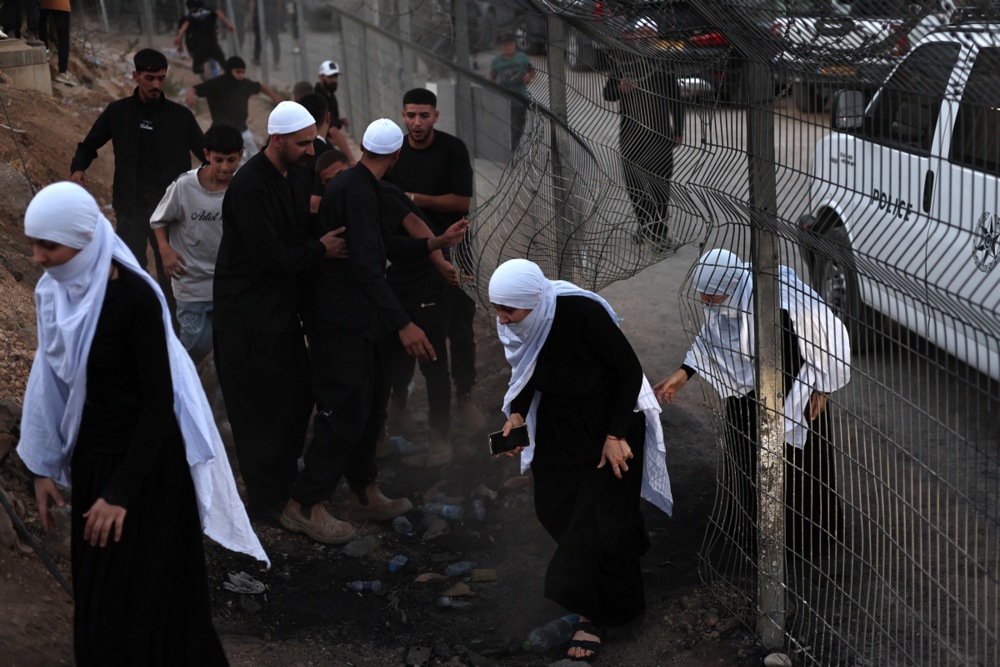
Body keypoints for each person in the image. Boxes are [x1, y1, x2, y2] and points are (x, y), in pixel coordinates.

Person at [18, 182, 268, 666]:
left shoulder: (135, 301)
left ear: (84, 242)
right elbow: (48, 380)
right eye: (34, 244)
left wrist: (121, 493)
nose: (37, 258)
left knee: (153, 602)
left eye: (48, 245)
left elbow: (158, 406)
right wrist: (43, 466)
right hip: (94, 466)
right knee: (103, 601)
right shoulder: (53, 295)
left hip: (145, 474)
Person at [489, 258, 672, 661]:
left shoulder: (581, 313)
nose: (501, 320)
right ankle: (626, 539)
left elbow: (628, 371)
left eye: (509, 311)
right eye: (497, 309)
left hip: (612, 421)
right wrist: (517, 412)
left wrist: (615, 435)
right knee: (553, 506)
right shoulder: (523, 323)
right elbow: (526, 371)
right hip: (562, 425)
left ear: (535, 303)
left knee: (596, 523)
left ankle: (595, 615)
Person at [293, 118, 469, 537]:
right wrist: (404, 324)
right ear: (396, 154)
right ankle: (305, 502)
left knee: (370, 403)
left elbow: (381, 245)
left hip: (362, 317)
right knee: (345, 409)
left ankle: (364, 493)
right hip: (341, 320)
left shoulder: (364, 187)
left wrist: (433, 244)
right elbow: (369, 268)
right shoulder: (354, 190)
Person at [652, 249, 850, 560]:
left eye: (712, 297)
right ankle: (762, 536)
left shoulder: (784, 301)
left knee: (802, 467)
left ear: (730, 287)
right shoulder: (725, 299)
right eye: (704, 296)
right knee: (750, 463)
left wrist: (824, 387)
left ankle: (810, 542)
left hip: (796, 393)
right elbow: (712, 338)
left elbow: (828, 339)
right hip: (748, 398)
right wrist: (683, 373)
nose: (707, 303)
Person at [213, 101, 345, 530]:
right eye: (303, 144)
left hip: (278, 315)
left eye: (312, 142)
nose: (311, 151)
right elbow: (270, 256)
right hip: (247, 320)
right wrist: (319, 249)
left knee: (293, 400)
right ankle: (268, 507)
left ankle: (282, 492)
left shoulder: (292, 174)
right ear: (278, 140)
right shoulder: (251, 186)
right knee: (258, 414)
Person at [70, 48, 204, 304]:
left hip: (171, 212)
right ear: (136, 76)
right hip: (131, 207)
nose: (156, 85)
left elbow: (208, 154)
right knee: (132, 271)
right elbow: (88, 145)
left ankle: (174, 334)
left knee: (173, 276)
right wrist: (78, 169)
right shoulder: (118, 112)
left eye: (161, 78)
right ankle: (139, 327)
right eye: (150, 78)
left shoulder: (180, 117)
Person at [387, 87, 485, 437]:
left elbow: (461, 203)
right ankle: (398, 397)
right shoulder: (394, 153)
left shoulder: (452, 149)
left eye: (423, 115)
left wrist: (411, 199)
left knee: (460, 327)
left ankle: (465, 394)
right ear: (402, 115)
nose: (416, 122)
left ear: (436, 116)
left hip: (456, 253)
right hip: (410, 258)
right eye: (410, 115)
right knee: (403, 331)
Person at [150, 123, 244, 365]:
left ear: (241, 156)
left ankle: (218, 397)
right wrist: (164, 250)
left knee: (230, 347)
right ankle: (175, 381)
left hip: (228, 283)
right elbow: (158, 220)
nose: (225, 167)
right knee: (195, 342)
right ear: (206, 155)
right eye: (219, 159)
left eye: (231, 160)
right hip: (190, 281)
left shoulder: (242, 188)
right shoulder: (184, 186)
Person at [602, 18, 685, 250]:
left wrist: (678, 130)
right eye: (642, 33)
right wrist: (619, 87)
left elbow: (677, 100)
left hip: (660, 134)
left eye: (650, 33)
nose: (646, 37)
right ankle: (644, 224)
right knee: (633, 183)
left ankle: (659, 233)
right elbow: (607, 94)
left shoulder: (663, 62)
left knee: (660, 184)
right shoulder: (623, 62)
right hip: (631, 134)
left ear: (656, 37)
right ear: (634, 36)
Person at [186, 55, 283, 161]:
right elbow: (195, 89)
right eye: (238, 72)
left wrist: (275, 97)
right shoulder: (215, 84)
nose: (241, 75)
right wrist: (190, 95)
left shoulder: (244, 84)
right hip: (222, 133)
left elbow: (260, 87)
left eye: (243, 72)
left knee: (257, 159)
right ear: (229, 70)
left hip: (243, 130)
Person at [490, 32, 536, 150]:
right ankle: (509, 143)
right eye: (505, 45)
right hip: (504, 96)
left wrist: (528, 77)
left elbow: (532, 71)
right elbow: (492, 76)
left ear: (515, 44)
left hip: (520, 95)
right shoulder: (496, 62)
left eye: (510, 44)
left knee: (519, 122)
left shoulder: (522, 58)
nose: (508, 47)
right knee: (507, 121)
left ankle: (515, 142)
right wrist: (494, 88)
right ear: (502, 47)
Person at [175, 0, 235, 80]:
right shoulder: (210, 10)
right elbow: (219, 13)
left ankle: (207, 80)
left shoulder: (191, 15)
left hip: (199, 47)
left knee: (197, 68)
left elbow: (184, 26)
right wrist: (229, 24)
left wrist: (178, 38)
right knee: (221, 64)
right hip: (213, 45)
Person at [315, 60, 355, 164]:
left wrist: (340, 121)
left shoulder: (329, 93)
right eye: (330, 77)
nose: (334, 80)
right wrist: (351, 159)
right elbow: (332, 130)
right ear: (321, 77)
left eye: (335, 76)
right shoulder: (319, 98)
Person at [39, 0, 75, 86]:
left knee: (41, 25)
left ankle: (45, 51)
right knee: (63, 37)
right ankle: (62, 72)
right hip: (61, 4)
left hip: (42, 3)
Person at [248, 0, 281, 70]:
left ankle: (257, 58)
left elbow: (252, 2)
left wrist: (250, 15)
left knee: (259, 37)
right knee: (273, 38)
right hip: (271, 12)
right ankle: (276, 61)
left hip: (261, 12)